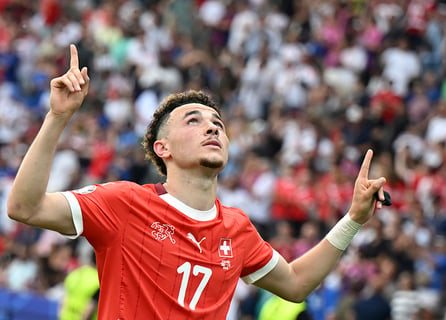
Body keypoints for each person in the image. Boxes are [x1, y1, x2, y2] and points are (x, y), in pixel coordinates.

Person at [7, 45, 388, 319]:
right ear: (163, 148)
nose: (211, 126)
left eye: (217, 123)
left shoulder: (237, 229)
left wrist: (353, 218)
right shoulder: (123, 203)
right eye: (194, 120)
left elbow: (296, 283)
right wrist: (57, 117)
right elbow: (24, 207)